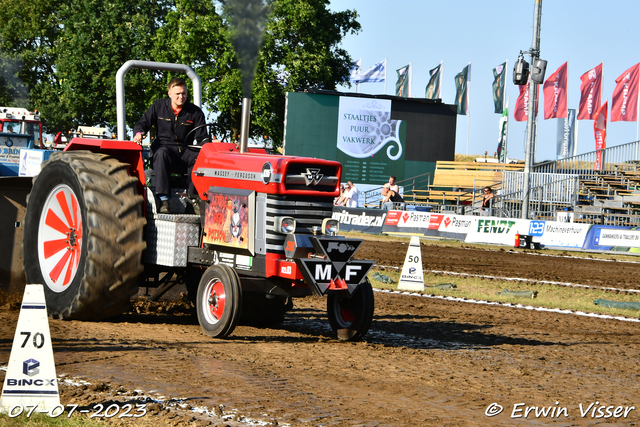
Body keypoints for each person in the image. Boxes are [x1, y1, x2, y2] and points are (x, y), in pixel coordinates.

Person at [133, 77, 210, 214]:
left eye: (184, 93)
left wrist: (208, 148)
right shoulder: (158, 106)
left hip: (184, 149)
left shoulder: (195, 112)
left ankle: (193, 199)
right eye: (178, 94)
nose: (181, 97)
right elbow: (142, 123)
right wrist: (139, 133)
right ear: (170, 94)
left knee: (199, 157)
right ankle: (164, 200)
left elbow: (202, 137)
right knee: (162, 153)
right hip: (164, 147)